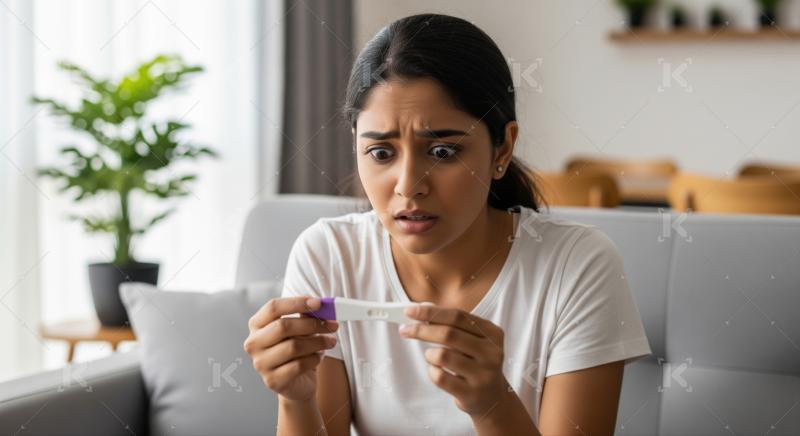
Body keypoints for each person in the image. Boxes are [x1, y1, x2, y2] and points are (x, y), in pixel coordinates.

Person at [244, 13, 651, 435]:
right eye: (381, 153)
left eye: (441, 152)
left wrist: (492, 403)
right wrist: (295, 399)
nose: (408, 187)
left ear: (502, 148)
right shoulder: (329, 254)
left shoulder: (577, 266)